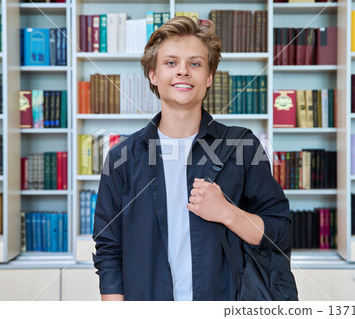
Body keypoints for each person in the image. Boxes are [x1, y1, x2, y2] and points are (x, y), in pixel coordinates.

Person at [92, 16, 291, 301]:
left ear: (209, 77)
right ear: (153, 75)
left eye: (195, 64)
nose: (183, 72)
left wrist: (227, 212)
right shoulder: (122, 157)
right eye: (171, 63)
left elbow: (280, 233)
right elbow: (109, 248)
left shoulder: (242, 146)